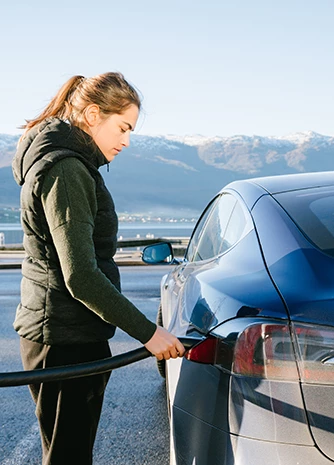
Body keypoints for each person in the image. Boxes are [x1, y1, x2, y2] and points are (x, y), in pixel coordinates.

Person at [12, 72, 185, 465]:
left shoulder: (64, 163)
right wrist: (149, 333)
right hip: (65, 339)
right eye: (123, 127)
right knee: (68, 456)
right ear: (92, 114)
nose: (126, 140)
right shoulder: (67, 171)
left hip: (62, 331)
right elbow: (81, 276)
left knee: (63, 453)